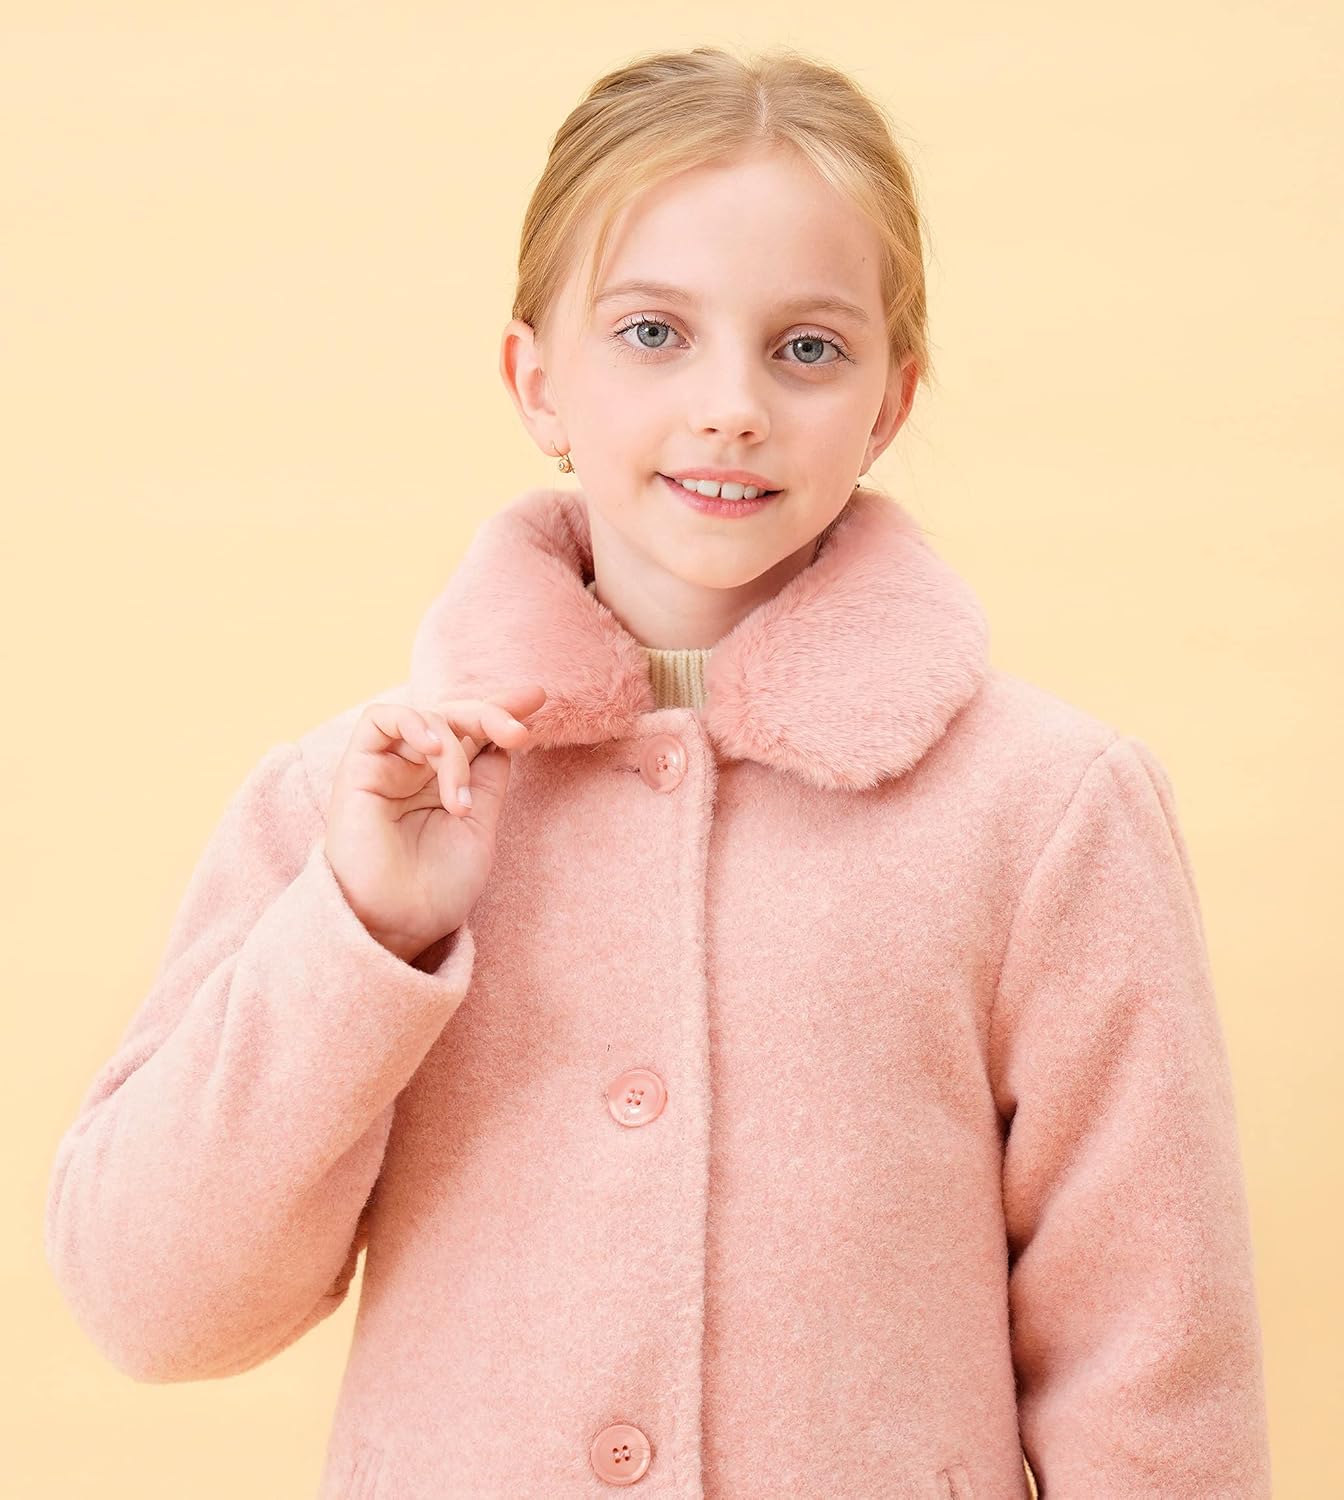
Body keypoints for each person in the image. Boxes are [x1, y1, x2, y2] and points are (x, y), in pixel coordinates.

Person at [43, 43, 1272, 1499]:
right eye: (650, 334)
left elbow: (1153, 1367)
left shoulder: (1049, 810)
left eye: (807, 347)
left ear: (890, 400)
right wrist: (365, 931)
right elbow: (152, 1308)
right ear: (534, 376)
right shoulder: (356, 805)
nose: (732, 405)